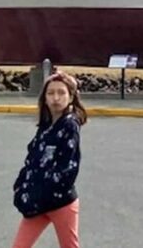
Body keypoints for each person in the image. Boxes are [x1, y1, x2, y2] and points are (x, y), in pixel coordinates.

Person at [12, 72, 88, 248]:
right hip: (37, 203)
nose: (56, 98)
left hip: (61, 202)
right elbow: (32, 161)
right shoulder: (45, 126)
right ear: (44, 98)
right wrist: (20, 186)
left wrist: (43, 192)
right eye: (51, 93)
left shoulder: (69, 125)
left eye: (61, 93)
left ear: (71, 97)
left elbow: (68, 168)